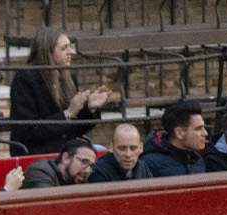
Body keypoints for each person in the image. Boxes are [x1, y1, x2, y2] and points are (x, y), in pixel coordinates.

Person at [9, 27, 111, 156]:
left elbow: (75, 130)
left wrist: (89, 108)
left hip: (66, 151)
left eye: (70, 46)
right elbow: (28, 131)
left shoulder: (68, 78)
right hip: (37, 151)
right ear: (48, 52)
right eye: (64, 48)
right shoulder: (25, 79)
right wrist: (67, 114)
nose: (71, 52)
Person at [140, 99, 209, 177]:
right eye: (198, 128)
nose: (205, 133)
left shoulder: (198, 160)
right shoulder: (149, 164)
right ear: (179, 133)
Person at [21, 137, 97, 188]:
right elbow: (49, 207)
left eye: (91, 166)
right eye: (84, 162)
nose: (88, 170)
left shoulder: (78, 179)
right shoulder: (40, 172)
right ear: (66, 158)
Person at [88, 123, 153, 182]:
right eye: (122, 148)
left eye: (133, 148)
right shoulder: (98, 171)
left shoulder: (143, 168)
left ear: (141, 148)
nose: (128, 154)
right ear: (111, 147)